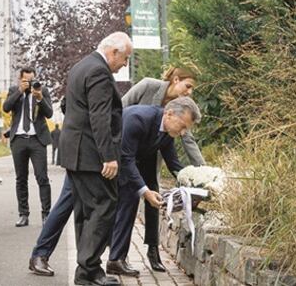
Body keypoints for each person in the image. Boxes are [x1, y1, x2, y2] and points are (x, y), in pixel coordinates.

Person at [58, 32, 130, 286]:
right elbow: (99, 117)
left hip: (74, 152)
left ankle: (86, 273)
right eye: (125, 58)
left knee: (86, 212)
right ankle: (89, 268)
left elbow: (68, 105)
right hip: (91, 155)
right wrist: (108, 156)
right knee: (104, 207)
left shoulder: (81, 66)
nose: (125, 65)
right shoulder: (100, 72)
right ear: (113, 52)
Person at [120, 68, 205, 272]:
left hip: (151, 156)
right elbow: (120, 108)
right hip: (127, 149)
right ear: (176, 80)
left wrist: (202, 174)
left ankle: (152, 249)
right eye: (188, 86)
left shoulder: (183, 109)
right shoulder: (149, 86)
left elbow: (187, 138)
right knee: (125, 201)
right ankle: (117, 255)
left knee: (154, 199)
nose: (190, 92)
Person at [106, 97, 201, 278]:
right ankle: (114, 259)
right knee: (128, 199)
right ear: (170, 114)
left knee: (132, 199)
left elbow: (173, 163)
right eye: (182, 126)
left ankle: (117, 259)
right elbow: (126, 159)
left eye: (186, 129)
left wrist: (195, 185)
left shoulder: (167, 130)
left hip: (136, 160)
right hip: (109, 159)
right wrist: (144, 191)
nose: (183, 133)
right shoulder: (138, 119)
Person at [2, 66, 53, 226]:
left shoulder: (42, 91)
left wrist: (39, 98)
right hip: (18, 139)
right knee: (21, 179)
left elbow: (49, 113)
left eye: (31, 80)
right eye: (26, 81)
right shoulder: (13, 90)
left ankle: (46, 214)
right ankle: (23, 214)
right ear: (20, 79)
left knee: (42, 177)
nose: (29, 84)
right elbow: (6, 108)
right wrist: (19, 91)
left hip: (37, 140)